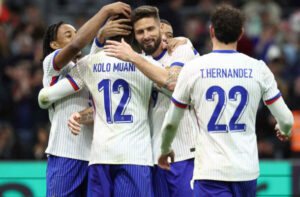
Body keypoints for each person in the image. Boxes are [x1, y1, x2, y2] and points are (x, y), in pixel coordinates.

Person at [157, 5, 294, 197]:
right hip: (246, 171)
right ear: (241, 34)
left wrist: (165, 149)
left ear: (211, 31)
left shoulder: (193, 68)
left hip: (210, 172)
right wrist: (284, 129)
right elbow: (287, 120)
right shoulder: (259, 68)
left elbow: (172, 121)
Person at [40, 14, 161, 197]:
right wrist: (102, 26)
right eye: (68, 35)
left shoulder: (90, 66)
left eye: (76, 33)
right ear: (54, 45)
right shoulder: (53, 65)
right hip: (66, 153)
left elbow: (99, 109)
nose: (76, 37)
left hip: (94, 155)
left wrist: (80, 116)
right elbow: (78, 46)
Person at [104, 5, 199, 197]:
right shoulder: (137, 62)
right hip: (152, 158)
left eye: (150, 29)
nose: (146, 35)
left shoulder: (181, 49)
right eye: (140, 31)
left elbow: (172, 83)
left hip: (185, 153)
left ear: (160, 29)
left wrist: (132, 57)